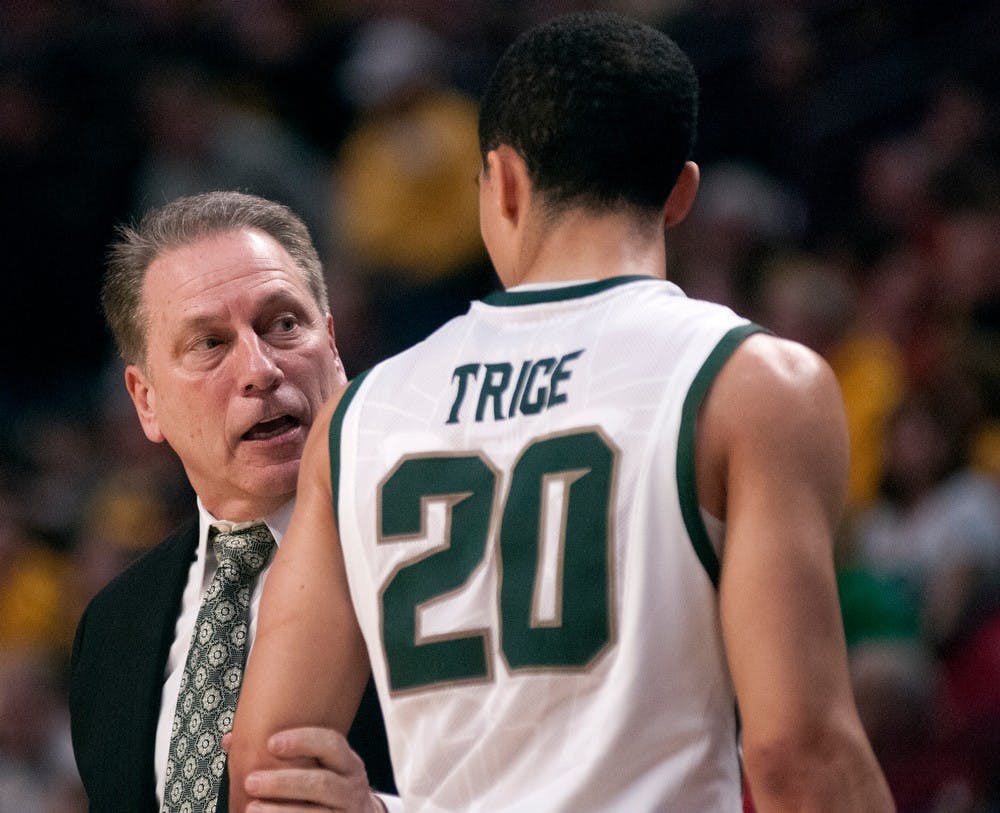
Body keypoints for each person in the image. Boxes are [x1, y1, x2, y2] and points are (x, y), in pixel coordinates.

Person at [229, 12, 894, 812]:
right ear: (680, 193)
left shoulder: (360, 415)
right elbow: (797, 749)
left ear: (501, 181)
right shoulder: (753, 383)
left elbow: (266, 772)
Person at [68, 191, 395, 812]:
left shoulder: (439, 545)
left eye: (283, 325)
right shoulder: (110, 629)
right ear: (146, 401)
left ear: (332, 343)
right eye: (209, 343)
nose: (260, 369)